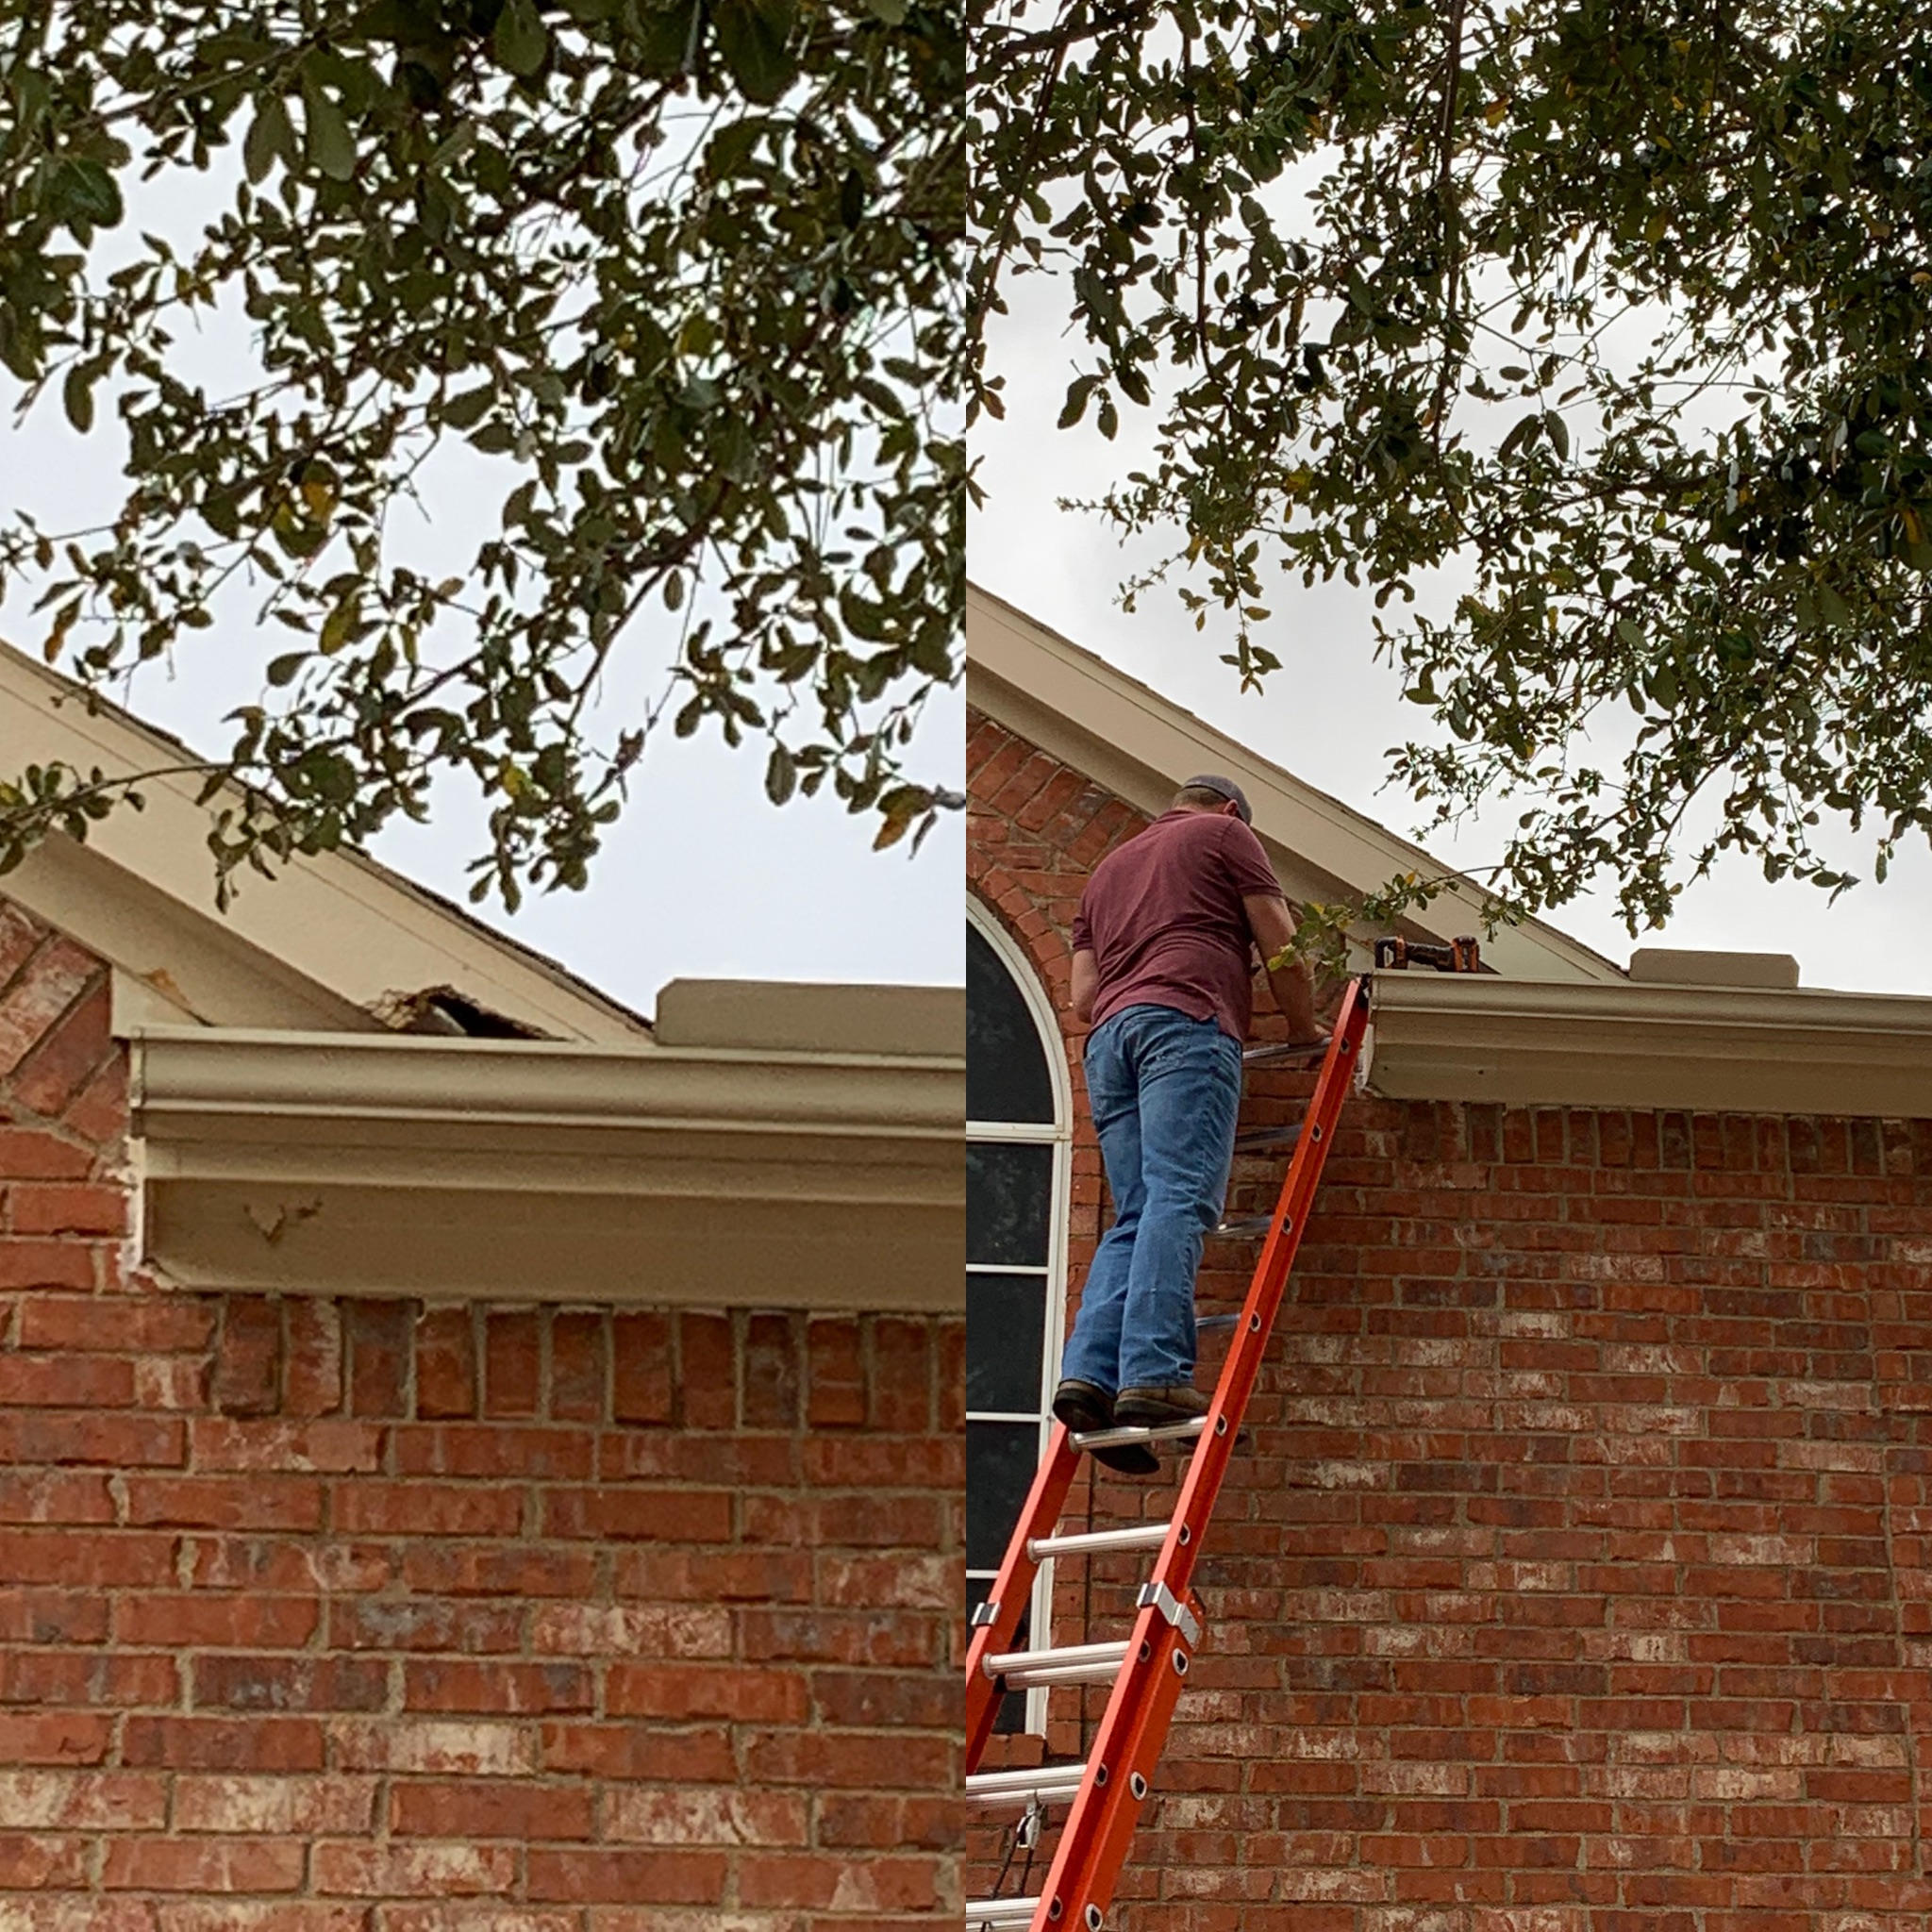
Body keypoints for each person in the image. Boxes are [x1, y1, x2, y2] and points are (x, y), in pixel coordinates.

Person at [1054, 774, 1320, 1474]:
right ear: (1231, 810)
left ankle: (1089, 1376)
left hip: (1110, 1044)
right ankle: (1154, 1372)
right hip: (1185, 1020)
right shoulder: (1226, 834)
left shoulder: (1106, 873)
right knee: (1179, 1195)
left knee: (1136, 1211)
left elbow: (1083, 999)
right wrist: (1302, 1026)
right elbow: (1282, 947)